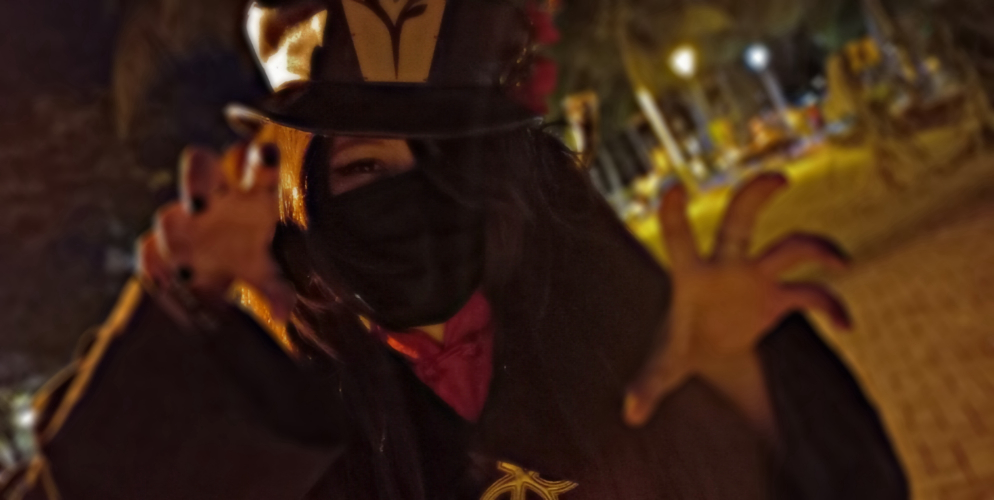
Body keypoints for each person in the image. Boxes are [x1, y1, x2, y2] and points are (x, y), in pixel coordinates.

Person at [1, 0, 907, 498]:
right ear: (296, 190)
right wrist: (187, 353)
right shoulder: (268, 400)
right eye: (363, 167)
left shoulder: (597, 316)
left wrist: (744, 387)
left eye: (448, 161)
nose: (415, 199)